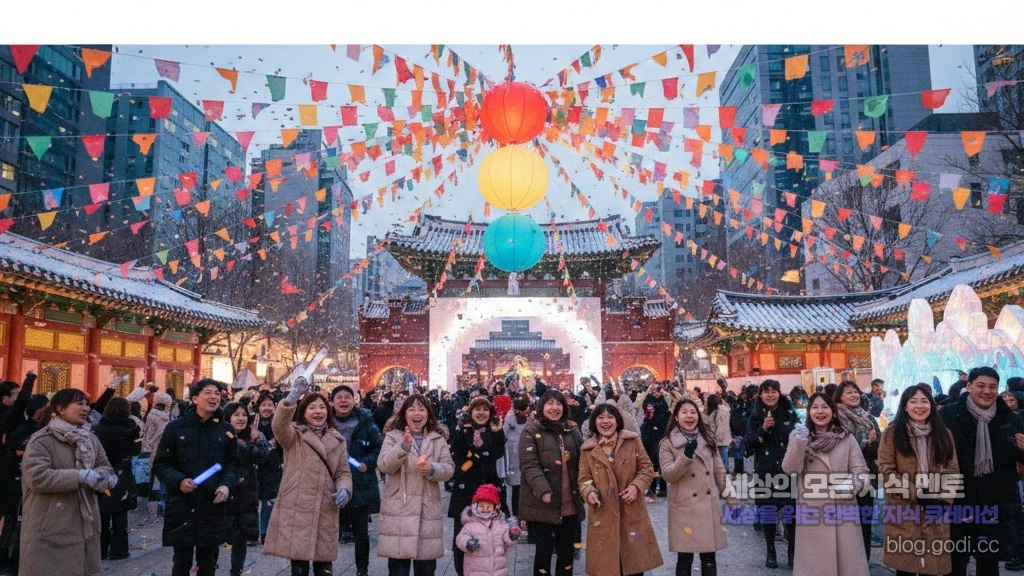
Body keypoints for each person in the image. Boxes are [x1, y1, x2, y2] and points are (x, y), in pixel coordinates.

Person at [19, 387, 116, 576]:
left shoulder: (90, 439)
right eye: (79, 404)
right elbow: (37, 477)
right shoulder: (42, 440)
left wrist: (103, 478)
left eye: (86, 404)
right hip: (50, 527)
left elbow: (105, 466)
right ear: (60, 409)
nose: (86, 408)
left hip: (84, 525)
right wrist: (80, 476)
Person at [263, 378, 352, 576]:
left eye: (322, 407)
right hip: (297, 509)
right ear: (303, 412)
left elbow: (343, 472)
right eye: (312, 408)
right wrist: (292, 396)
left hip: (325, 507)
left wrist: (345, 489)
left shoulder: (337, 440)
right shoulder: (293, 435)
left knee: (324, 569)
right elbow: (278, 425)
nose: (318, 411)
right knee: (299, 568)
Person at [940, 366, 1024, 576]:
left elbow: (1018, 460)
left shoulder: (1010, 419)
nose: (987, 391)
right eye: (981, 386)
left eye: (992, 387)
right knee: (956, 559)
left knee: (989, 562)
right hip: (959, 499)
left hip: (995, 501)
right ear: (969, 386)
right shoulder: (948, 415)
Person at [153, 379, 241, 576]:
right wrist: (179, 480)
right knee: (181, 563)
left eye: (217, 393)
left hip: (213, 504)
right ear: (194, 398)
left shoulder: (226, 430)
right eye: (208, 393)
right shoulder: (175, 428)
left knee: (208, 563)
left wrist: (226, 485)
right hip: (182, 504)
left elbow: (233, 465)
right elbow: (161, 464)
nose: (213, 397)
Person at [781, 392, 869, 576]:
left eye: (825, 407)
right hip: (813, 511)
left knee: (846, 565)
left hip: (843, 509)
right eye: (814, 407)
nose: (820, 411)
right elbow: (791, 470)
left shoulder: (847, 438)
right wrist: (798, 443)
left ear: (833, 412)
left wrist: (849, 487)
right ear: (809, 412)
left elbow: (860, 470)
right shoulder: (800, 437)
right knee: (816, 566)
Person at [877, 384, 959, 576]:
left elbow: (952, 470)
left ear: (931, 405)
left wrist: (945, 501)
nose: (919, 406)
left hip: (935, 509)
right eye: (913, 401)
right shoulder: (892, 433)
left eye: (924, 401)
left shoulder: (943, 434)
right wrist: (920, 495)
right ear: (905, 406)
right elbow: (887, 471)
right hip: (904, 507)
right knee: (905, 566)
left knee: (931, 567)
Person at [578, 402, 663, 576]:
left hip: (631, 513)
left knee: (634, 567)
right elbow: (584, 479)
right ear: (594, 422)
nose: (605, 421)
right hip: (603, 515)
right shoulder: (587, 449)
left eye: (610, 417)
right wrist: (589, 492)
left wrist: (635, 487)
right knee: (607, 568)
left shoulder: (632, 441)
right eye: (600, 417)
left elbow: (646, 468)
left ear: (617, 420)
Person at [377, 393, 455, 576]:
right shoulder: (392, 436)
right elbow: (384, 465)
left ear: (428, 413)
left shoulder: (437, 438)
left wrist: (431, 469)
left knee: (426, 570)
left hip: (427, 511)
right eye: (411, 409)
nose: (416, 413)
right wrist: (403, 446)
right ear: (404, 413)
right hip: (398, 510)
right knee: (398, 570)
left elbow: (449, 469)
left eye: (421, 409)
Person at [518, 389, 586, 576]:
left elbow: (584, 458)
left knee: (567, 553)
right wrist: (543, 490)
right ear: (542, 407)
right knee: (543, 553)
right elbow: (529, 464)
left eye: (558, 404)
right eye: (550, 403)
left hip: (569, 503)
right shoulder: (532, 430)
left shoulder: (571, 430)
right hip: (543, 503)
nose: (554, 408)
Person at [659, 397, 729, 576]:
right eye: (684, 412)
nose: (689, 416)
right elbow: (668, 475)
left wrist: (732, 498)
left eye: (693, 412)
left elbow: (719, 471)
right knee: (684, 560)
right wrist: (686, 456)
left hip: (708, 508)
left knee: (709, 560)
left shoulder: (708, 438)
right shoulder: (667, 443)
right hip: (684, 509)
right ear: (676, 417)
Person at [448, 396, 506, 576]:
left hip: (489, 491)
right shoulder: (461, 431)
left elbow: (498, 453)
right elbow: (458, 458)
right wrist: (474, 453)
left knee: (491, 539)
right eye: (477, 409)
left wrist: (497, 432)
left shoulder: (494, 431)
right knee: (462, 537)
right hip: (465, 492)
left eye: (485, 409)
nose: (481, 413)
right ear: (471, 412)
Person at [745, 379, 799, 568]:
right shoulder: (755, 415)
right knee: (768, 512)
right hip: (765, 469)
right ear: (760, 394)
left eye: (773, 391)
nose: (770, 395)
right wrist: (763, 429)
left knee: (791, 511)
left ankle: (792, 551)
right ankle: (771, 551)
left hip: (787, 469)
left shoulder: (789, 412)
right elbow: (750, 441)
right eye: (766, 391)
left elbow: (799, 435)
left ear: (779, 393)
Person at [331, 384, 384, 576]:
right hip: (331, 481)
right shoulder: (325, 422)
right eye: (339, 397)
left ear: (354, 400)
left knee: (361, 531)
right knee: (327, 530)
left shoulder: (365, 421)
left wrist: (367, 463)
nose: (343, 401)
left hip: (360, 480)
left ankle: (363, 570)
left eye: (347, 397)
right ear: (332, 402)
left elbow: (379, 446)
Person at [834, 380, 882, 563]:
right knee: (845, 522)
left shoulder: (869, 419)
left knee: (864, 520)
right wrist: (864, 444)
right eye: (848, 392)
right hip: (843, 477)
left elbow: (879, 448)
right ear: (840, 397)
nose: (854, 395)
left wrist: (871, 444)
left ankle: (863, 562)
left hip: (866, 478)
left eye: (855, 392)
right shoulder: (836, 419)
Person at [223, 402, 271, 576]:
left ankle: (236, 570)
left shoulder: (253, 436)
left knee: (240, 537)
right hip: (224, 490)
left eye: (244, 415)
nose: (241, 418)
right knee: (219, 534)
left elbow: (264, 456)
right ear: (228, 417)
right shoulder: (220, 435)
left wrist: (251, 443)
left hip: (246, 492)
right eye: (236, 415)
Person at [91, 397, 141, 561]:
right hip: (122, 473)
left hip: (101, 472)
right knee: (120, 514)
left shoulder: (97, 429)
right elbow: (136, 451)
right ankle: (119, 550)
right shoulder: (132, 429)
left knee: (102, 512)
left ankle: (100, 550)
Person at [455, 483, 520, 576]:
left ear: (495, 507)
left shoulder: (501, 524)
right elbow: (460, 538)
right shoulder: (470, 524)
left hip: (498, 571)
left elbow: (508, 540)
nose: (485, 509)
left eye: (488, 506)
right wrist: (468, 543)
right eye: (481, 506)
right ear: (475, 507)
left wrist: (512, 536)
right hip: (475, 571)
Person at [253, 392, 283, 544]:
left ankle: (266, 531)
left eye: (270, 405)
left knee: (268, 500)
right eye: (263, 405)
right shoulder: (252, 422)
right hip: (254, 466)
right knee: (252, 500)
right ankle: (253, 531)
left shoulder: (279, 423)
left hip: (272, 466)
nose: (267, 408)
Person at [141, 390, 172, 515]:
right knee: (160, 478)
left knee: (154, 478)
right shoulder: (162, 418)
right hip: (160, 451)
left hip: (154, 451)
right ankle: (159, 503)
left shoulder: (152, 416)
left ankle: (154, 503)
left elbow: (147, 435)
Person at [501, 394, 531, 521]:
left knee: (528, 488)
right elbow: (503, 435)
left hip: (528, 454)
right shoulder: (510, 417)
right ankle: (517, 516)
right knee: (517, 489)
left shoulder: (531, 417)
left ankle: (527, 517)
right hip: (514, 457)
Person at [704, 394, 732, 472]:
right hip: (721, 439)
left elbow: (720, 428)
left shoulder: (720, 412)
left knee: (721, 462)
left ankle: (723, 475)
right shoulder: (721, 410)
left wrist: (715, 439)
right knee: (722, 460)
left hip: (718, 440)